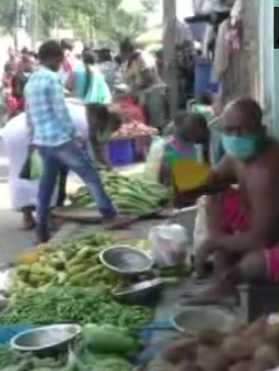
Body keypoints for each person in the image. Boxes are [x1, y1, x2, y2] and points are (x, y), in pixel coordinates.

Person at [24, 40, 132, 243]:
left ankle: (42, 230)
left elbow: (28, 112)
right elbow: (61, 111)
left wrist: (33, 137)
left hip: (42, 141)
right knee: (90, 174)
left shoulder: (32, 80)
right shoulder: (52, 79)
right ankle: (109, 216)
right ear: (57, 58)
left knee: (46, 186)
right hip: (60, 139)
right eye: (61, 60)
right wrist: (74, 135)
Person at [176, 97, 279, 304]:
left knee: (253, 263)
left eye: (242, 130)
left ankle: (227, 283)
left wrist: (214, 241)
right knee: (217, 195)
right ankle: (221, 284)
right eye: (229, 131)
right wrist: (181, 182)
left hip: (268, 236)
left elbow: (262, 240)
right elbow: (213, 181)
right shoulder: (237, 157)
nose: (234, 136)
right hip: (259, 227)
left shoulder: (266, 170)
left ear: (262, 129)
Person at [119, 38, 168, 131]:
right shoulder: (132, 60)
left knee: (155, 124)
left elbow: (148, 78)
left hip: (153, 92)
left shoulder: (142, 57)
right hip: (143, 94)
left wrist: (134, 89)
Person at [10, 53, 36, 117]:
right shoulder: (18, 76)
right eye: (30, 63)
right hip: (22, 102)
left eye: (32, 63)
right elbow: (17, 92)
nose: (32, 65)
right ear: (24, 64)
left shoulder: (33, 74)